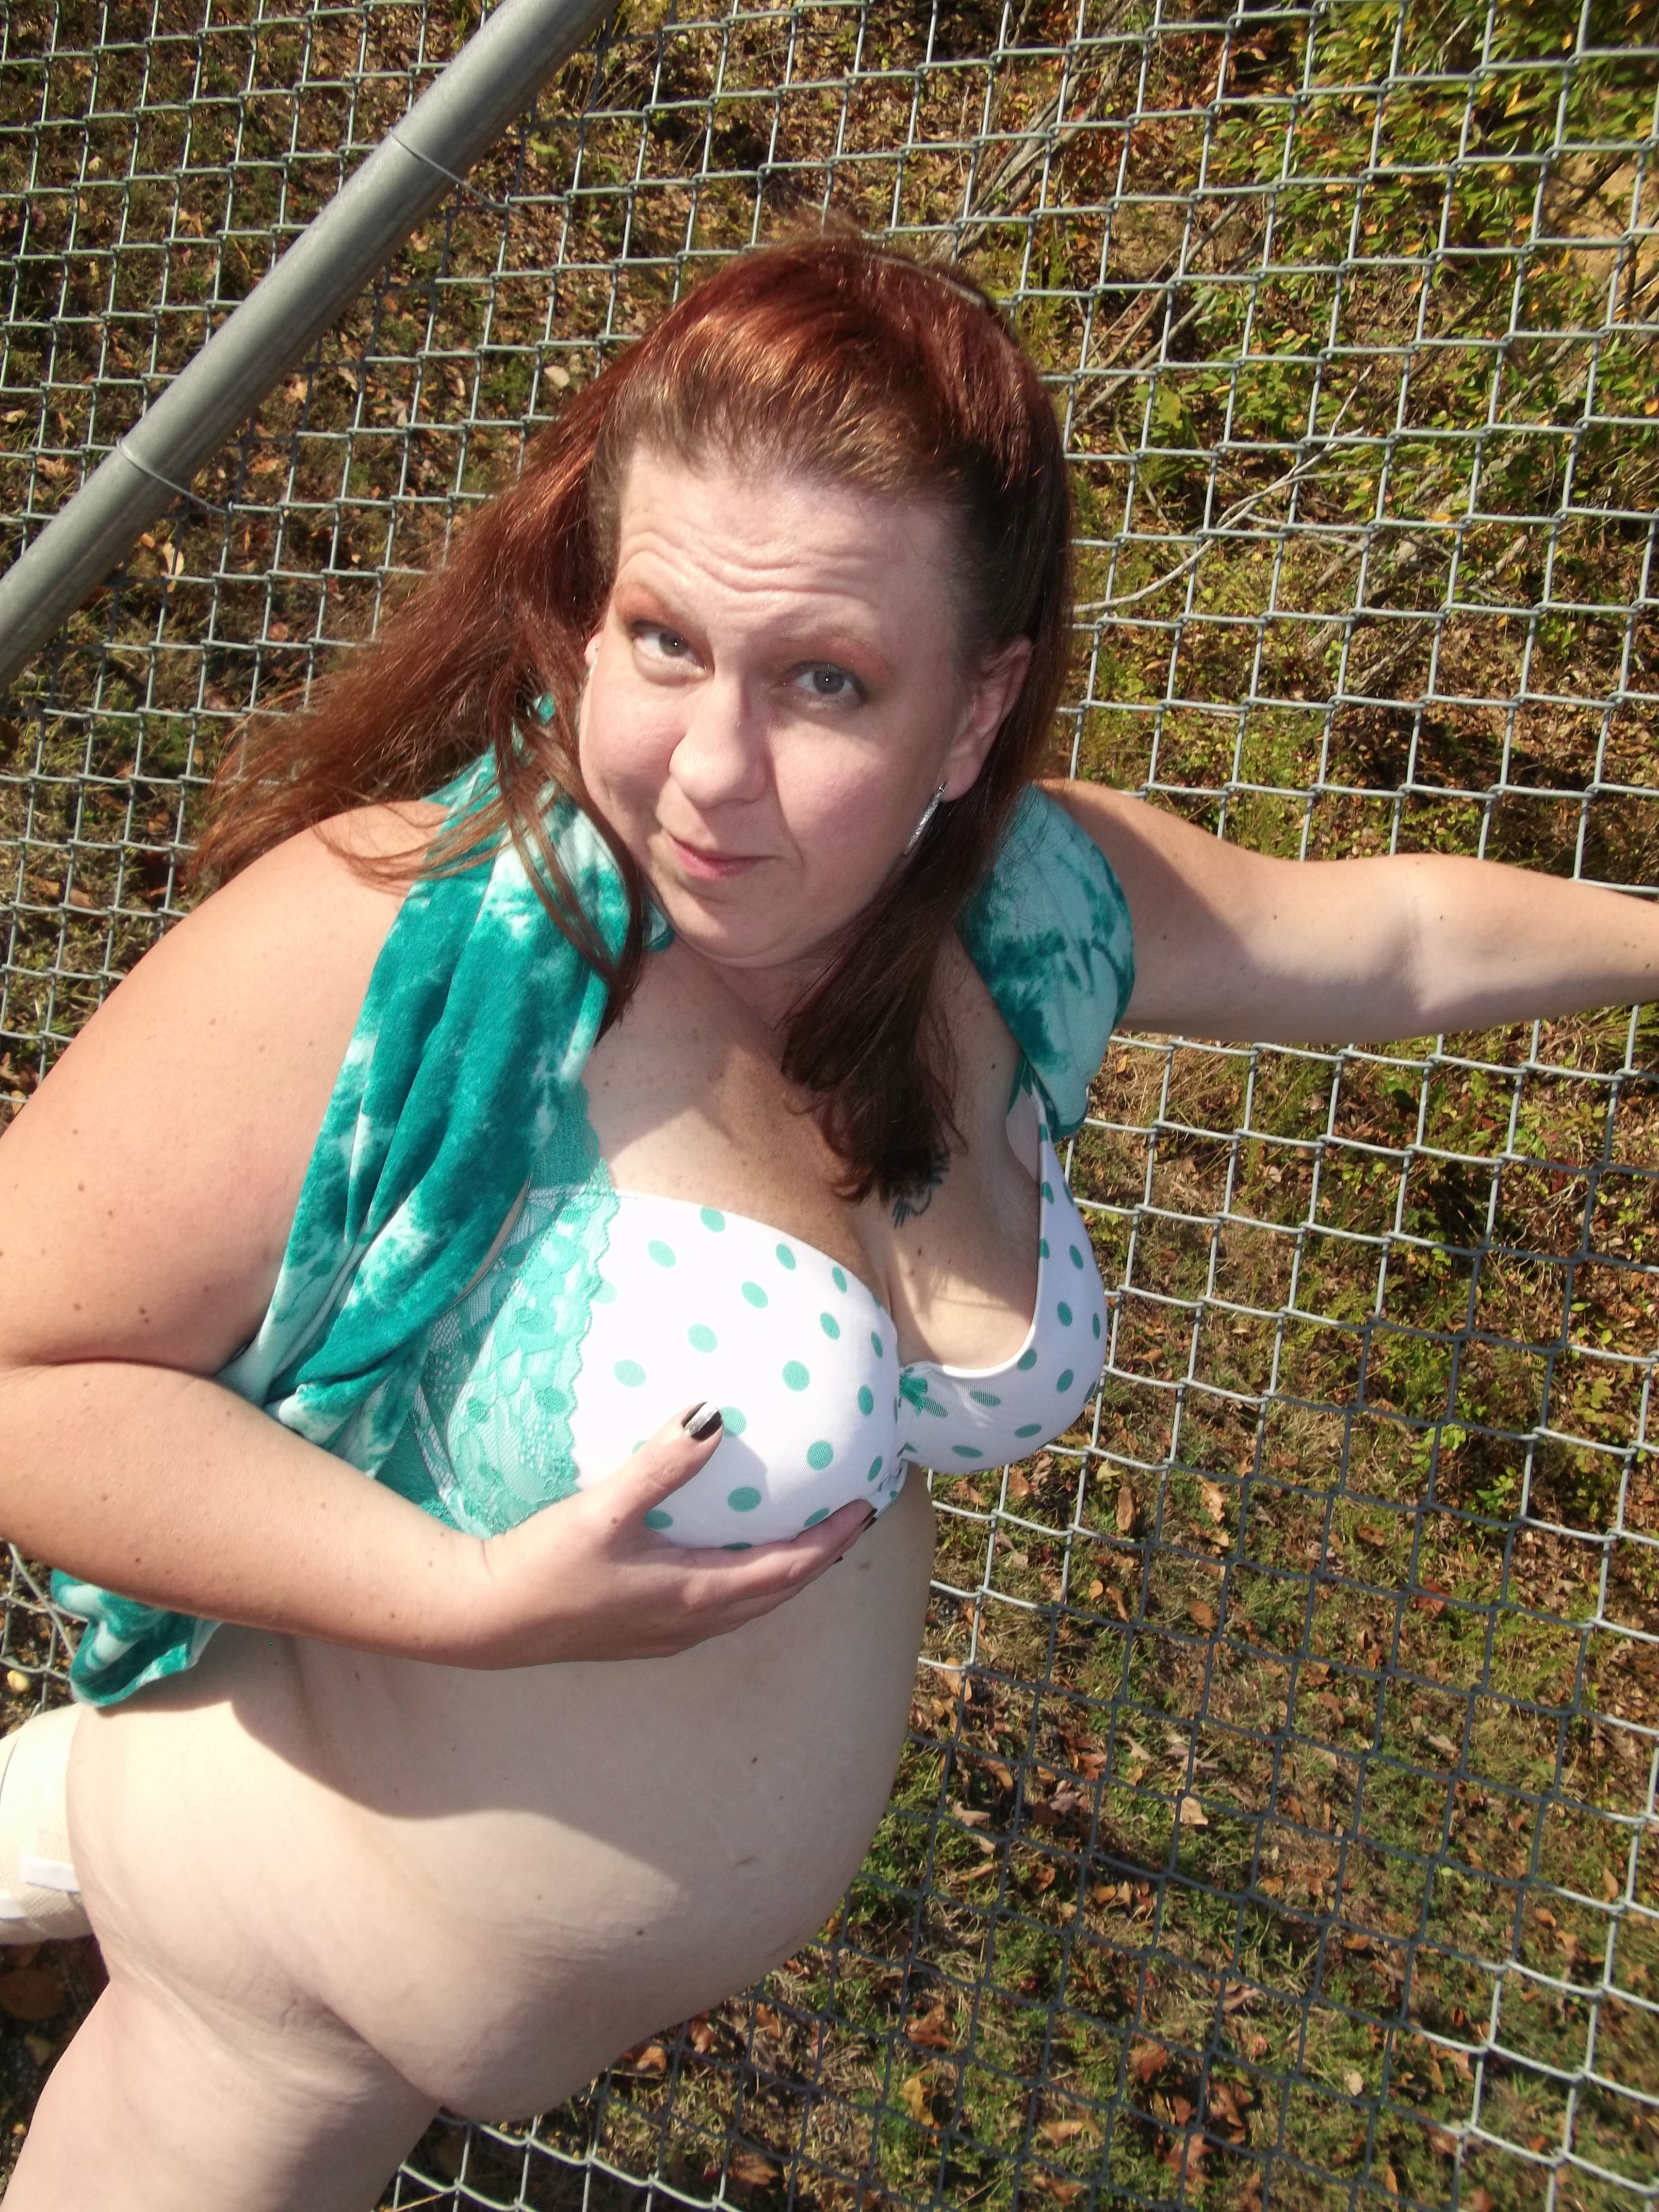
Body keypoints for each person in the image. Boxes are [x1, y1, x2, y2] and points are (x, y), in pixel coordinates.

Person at [0, 234, 1654, 2211]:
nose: (713, 771)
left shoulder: (1024, 912)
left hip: (426, 1986)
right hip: (276, 1987)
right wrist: (452, 1598)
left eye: (826, 682)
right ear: (586, 617)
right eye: (663, 640)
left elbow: (1389, 941)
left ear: (974, 711)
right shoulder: (409, 941)